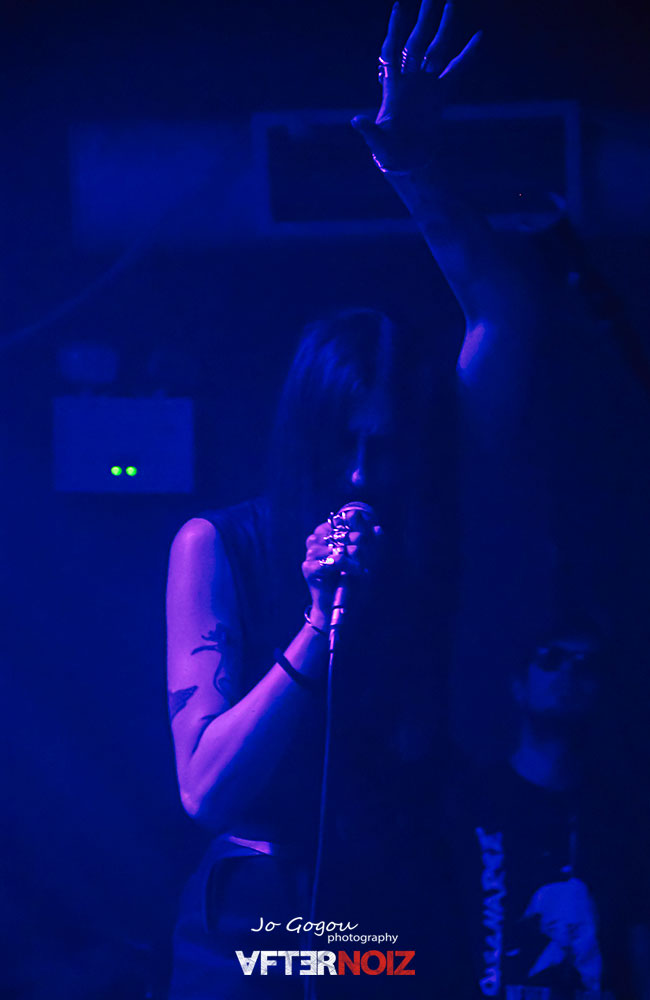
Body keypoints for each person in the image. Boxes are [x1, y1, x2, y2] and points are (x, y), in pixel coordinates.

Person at [166, 2, 563, 996]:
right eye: (340, 445)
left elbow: (505, 312)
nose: (358, 473)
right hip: (257, 912)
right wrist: (316, 627)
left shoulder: (433, 493)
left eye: (381, 448)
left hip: (392, 898)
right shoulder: (217, 545)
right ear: (302, 434)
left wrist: (413, 166)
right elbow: (206, 788)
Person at [436, 619, 650, 999]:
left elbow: (639, 935)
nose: (569, 673)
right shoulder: (466, 803)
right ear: (519, 685)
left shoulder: (625, 814)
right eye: (551, 659)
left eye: (585, 665)